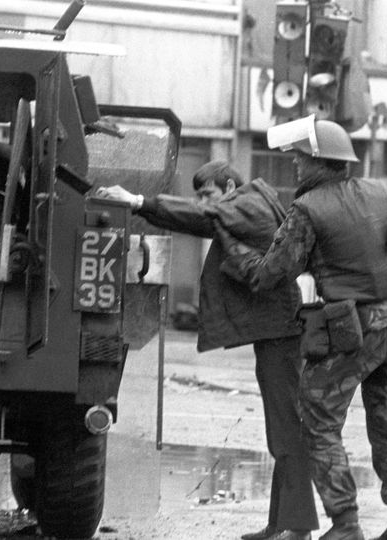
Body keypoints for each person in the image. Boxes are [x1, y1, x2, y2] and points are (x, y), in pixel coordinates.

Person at [215, 117, 387, 540]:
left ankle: (345, 522)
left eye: (299, 157)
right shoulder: (377, 194)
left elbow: (272, 273)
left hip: (344, 334)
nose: (294, 164)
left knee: (318, 425)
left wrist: (234, 251)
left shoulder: (307, 209)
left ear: (319, 162)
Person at [96, 161, 319, 540]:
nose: (202, 200)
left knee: (286, 432)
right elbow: (206, 215)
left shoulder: (247, 204)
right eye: (199, 194)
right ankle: (282, 523)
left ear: (229, 185)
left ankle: (297, 528)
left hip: (281, 331)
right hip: (278, 330)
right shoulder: (250, 202)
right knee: (282, 430)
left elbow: (202, 216)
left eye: (208, 192)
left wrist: (137, 201)